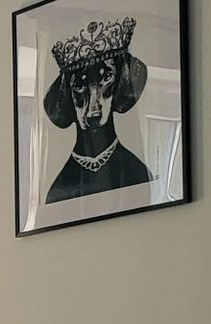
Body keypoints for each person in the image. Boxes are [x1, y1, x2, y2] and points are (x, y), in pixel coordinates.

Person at [44, 17, 153, 204]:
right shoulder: (57, 192)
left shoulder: (138, 174)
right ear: (67, 93)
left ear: (120, 82)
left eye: (106, 77)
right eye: (79, 85)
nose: (94, 109)